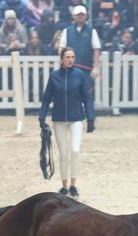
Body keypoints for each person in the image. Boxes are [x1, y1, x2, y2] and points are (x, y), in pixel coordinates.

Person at [38, 47, 95, 199]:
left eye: (72, 57)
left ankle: (73, 184)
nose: (70, 59)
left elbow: (87, 97)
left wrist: (90, 117)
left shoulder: (79, 75)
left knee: (75, 150)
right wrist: (42, 116)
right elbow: (46, 98)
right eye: (68, 57)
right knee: (63, 152)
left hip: (76, 118)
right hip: (59, 119)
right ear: (62, 59)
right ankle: (64, 185)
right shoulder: (54, 76)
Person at [59, 5, 101, 80]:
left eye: (82, 14)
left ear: (86, 16)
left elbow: (96, 50)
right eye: (78, 14)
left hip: (87, 70)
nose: (80, 16)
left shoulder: (92, 31)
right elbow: (61, 49)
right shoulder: (66, 31)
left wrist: (96, 67)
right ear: (73, 16)